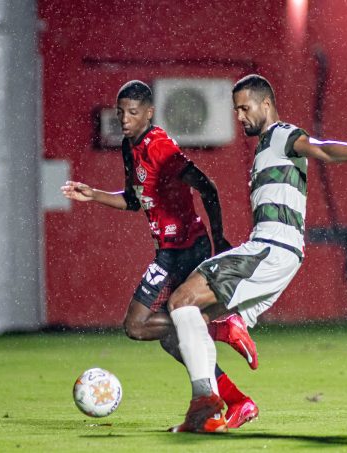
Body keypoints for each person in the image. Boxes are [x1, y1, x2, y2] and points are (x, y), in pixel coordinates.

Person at [163, 74, 347, 433]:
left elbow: (324, 149)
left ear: (265, 104)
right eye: (236, 109)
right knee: (176, 332)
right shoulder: (266, 148)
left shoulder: (282, 134)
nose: (239, 116)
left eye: (244, 108)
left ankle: (204, 401)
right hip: (275, 253)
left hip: (271, 248)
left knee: (181, 300)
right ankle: (235, 398)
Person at [61, 80, 259, 429]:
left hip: (187, 248)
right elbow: (134, 200)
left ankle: (218, 332)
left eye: (132, 113)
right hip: (168, 249)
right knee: (167, 338)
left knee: (139, 325)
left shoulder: (161, 147)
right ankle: (235, 399)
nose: (124, 119)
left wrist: (219, 239)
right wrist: (92, 194)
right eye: (120, 112)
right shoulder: (129, 146)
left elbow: (207, 187)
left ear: (149, 113)